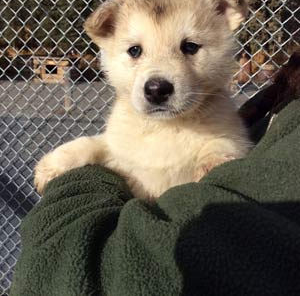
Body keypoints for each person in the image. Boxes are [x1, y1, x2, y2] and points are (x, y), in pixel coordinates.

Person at [9, 94, 300, 296]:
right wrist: (89, 150)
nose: (157, 77)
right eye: (135, 51)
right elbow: (118, 149)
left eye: (188, 48)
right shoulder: (275, 102)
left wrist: (214, 157)